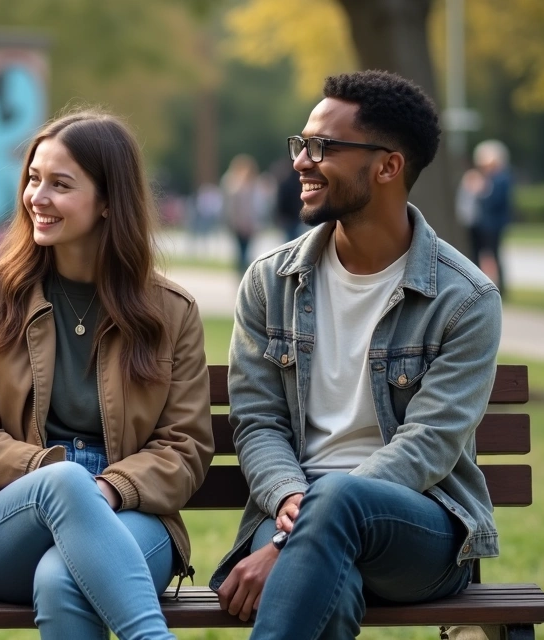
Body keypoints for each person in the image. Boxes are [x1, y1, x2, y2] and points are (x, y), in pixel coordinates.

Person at [211, 70, 502, 639]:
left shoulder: (464, 299)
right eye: (301, 144)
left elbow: (428, 447)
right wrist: (294, 499)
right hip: (291, 510)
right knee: (329, 587)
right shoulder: (270, 283)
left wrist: (292, 532)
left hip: (419, 527)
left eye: (322, 147)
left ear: (388, 166)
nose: (300, 161)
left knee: (340, 497)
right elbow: (257, 421)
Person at [0, 110, 215, 640]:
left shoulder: (169, 312)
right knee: (63, 483)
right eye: (33, 179)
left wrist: (109, 489)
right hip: (9, 515)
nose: (37, 197)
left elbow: (184, 447)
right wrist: (53, 475)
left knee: (63, 580)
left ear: (109, 201)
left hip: (128, 505)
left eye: (60, 185)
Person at [469, 139, 513, 295]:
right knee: (483, 254)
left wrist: (480, 192)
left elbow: (495, 199)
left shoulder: (501, 178)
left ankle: (502, 287)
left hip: (494, 224)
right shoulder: (490, 177)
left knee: (495, 254)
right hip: (484, 223)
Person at [221, 154, 266, 275]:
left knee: (246, 252)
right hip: (238, 225)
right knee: (241, 252)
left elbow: (257, 208)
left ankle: (244, 273)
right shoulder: (234, 186)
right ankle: (242, 274)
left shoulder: (255, 186)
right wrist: (235, 223)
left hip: (250, 224)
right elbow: (231, 208)